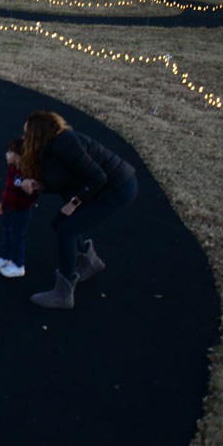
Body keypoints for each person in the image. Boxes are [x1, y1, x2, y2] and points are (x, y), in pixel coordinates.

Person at [19, 111, 138, 310]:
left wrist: (74, 203)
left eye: (26, 134)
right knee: (60, 223)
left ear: (38, 135)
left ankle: (63, 293)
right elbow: (64, 178)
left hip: (119, 188)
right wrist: (40, 185)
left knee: (68, 229)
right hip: (102, 187)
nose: (24, 138)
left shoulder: (65, 143)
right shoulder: (53, 147)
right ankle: (89, 262)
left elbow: (98, 177)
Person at [0, 137, 38, 279]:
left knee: (17, 235)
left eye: (10, 152)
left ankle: (18, 264)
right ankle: (6, 257)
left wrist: (30, 192)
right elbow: (8, 187)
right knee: (6, 232)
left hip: (21, 211)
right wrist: (2, 203)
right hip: (8, 207)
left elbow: (33, 195)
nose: (6, 154)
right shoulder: (12, 168)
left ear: (18, 157)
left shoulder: (28, 174)